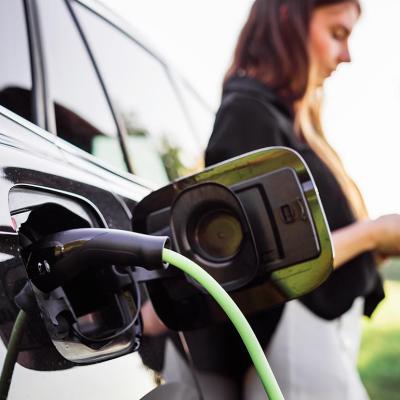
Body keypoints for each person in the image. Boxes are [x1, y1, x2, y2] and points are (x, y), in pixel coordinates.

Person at [144, 1, 400, 399]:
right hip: (287, 347)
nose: (346, 56)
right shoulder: (249, 114)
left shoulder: (288, 121)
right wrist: (373, 234)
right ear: (289, 18)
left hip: (310, 340)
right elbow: (256, 259)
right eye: (337, 34)